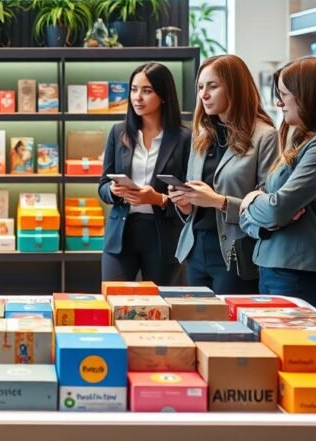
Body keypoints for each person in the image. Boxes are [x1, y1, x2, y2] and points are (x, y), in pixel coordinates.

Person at [238, 57, 316, 313]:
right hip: (274, 268)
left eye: (284, 94)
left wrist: (253, 201)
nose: (279, 103)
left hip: (299, 275)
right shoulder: (301, 141)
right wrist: (262, 214)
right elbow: (263, 213)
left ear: (307, 95)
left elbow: (276, 208)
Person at [171, 55, 278, 294]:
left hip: (236, 251)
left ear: (235, 88)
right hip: (195, 248)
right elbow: (195, 200)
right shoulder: (201, 135)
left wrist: (218, 202)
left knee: (229, 329)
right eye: (200, 87)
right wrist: (185, 203)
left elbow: (268, 205)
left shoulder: (265, 136)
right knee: (196, 327)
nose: (204, 95)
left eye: (213, 86)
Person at [98, 62, 191, 285]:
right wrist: (112, 191)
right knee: (114, 302)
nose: (137, 97)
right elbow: (102, 186)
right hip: (121, 232)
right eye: (134, 89)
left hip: (162, 236)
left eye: (147, 91)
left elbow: (190, 196)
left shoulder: (184, 138)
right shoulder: (118, 132)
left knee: (161, 308)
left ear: (164, 95)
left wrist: (158, 199)